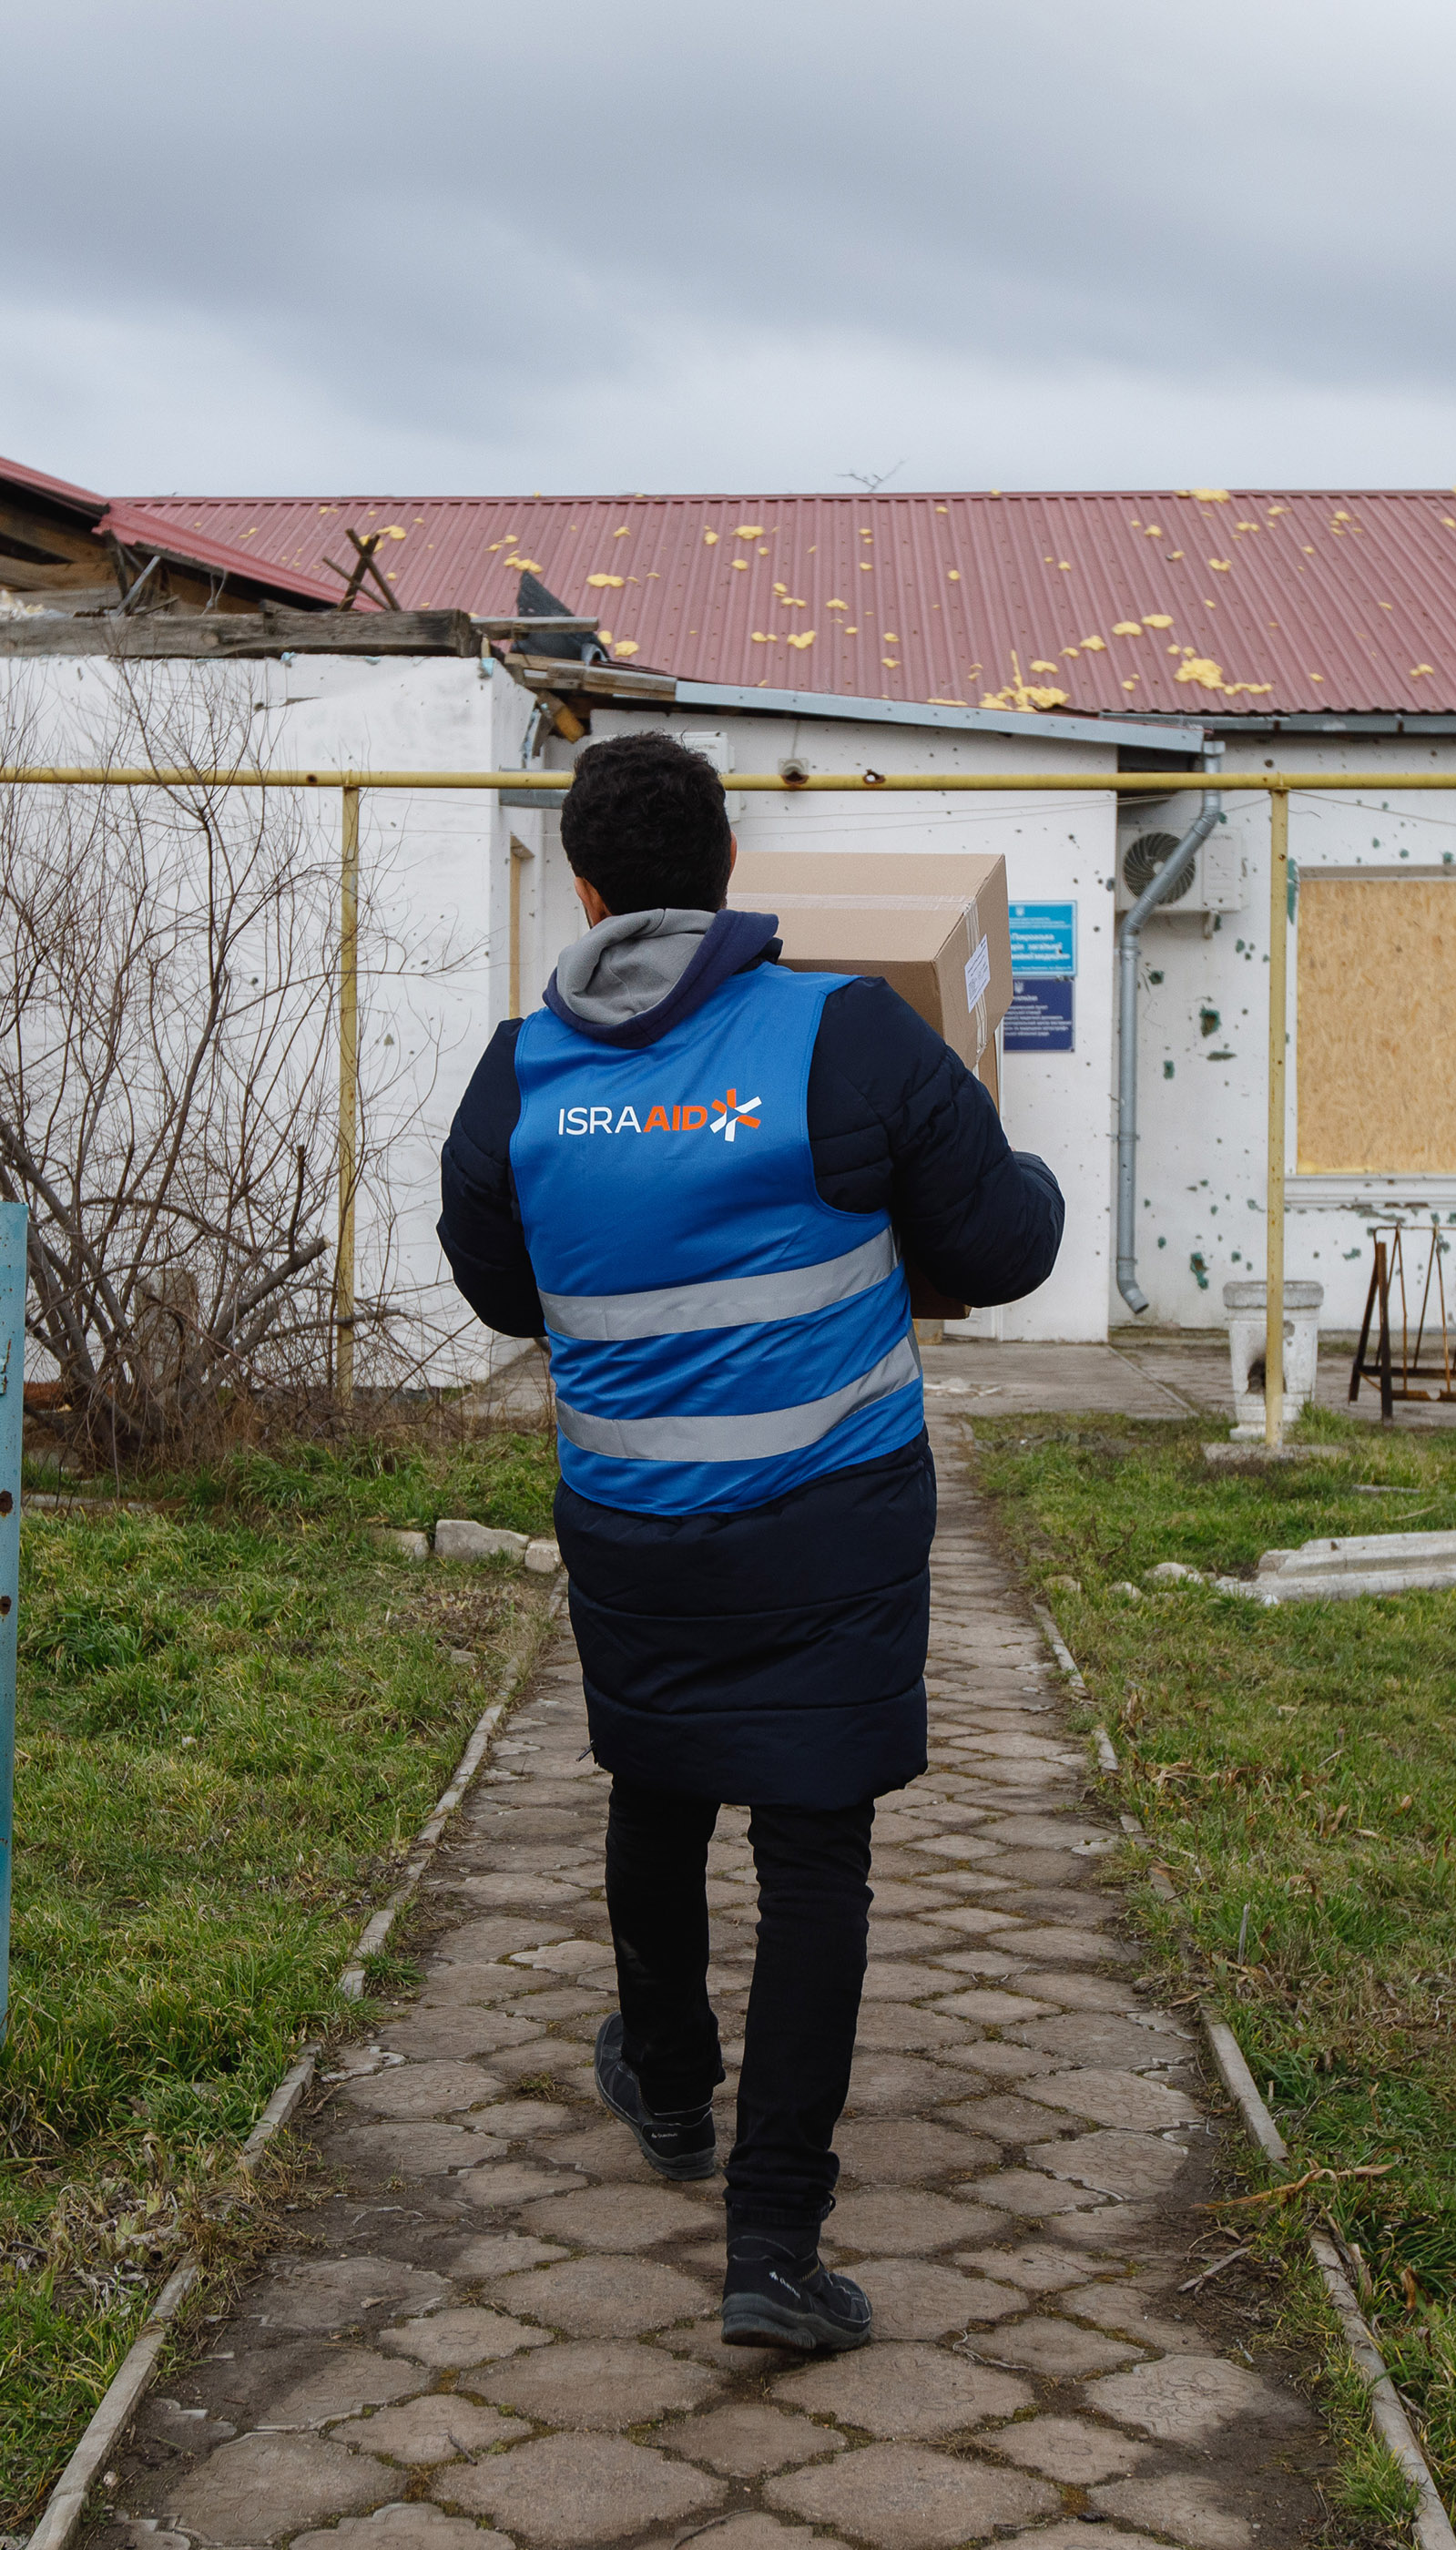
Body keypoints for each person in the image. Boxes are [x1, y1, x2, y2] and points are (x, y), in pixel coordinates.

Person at [437, 732, 1064, 2353]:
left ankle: (664, 2081)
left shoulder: (517, 1077)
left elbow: (507, 1294)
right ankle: (773, 2252)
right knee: (813, 1854)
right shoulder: (838, 1036)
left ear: (580, 890)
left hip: (636, 1527)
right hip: (832, 1533)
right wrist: (1012, 1175)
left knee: (656, 1784)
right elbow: (996, 1246)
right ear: (729, 875)